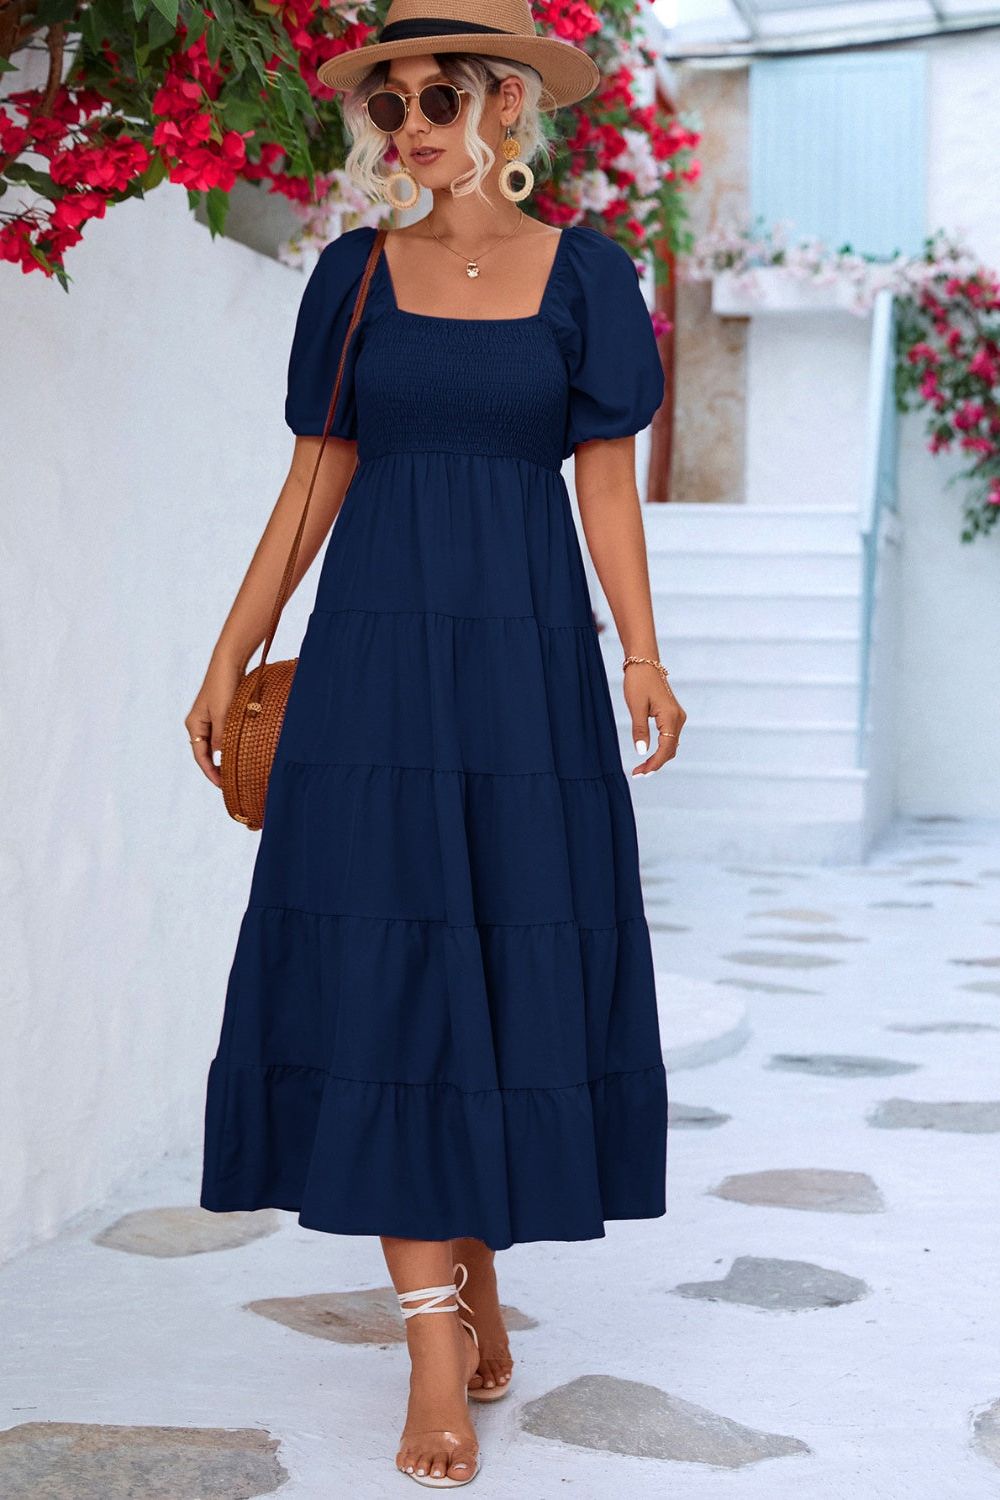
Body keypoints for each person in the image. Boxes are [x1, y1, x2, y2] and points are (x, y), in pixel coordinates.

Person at [187, 0, 684, 1487]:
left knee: (506, 953)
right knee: (385, 964)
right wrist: (230, 648)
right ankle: (428, 1344)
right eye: (389, 99)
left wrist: (642, 652)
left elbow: (607, 483)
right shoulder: (353, 276)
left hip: (527, 668)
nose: (407, 123)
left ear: (508, 107)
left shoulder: (590, 275)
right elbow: (314, 476)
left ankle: (475, 1269)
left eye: (439, 95)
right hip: (374, 669)